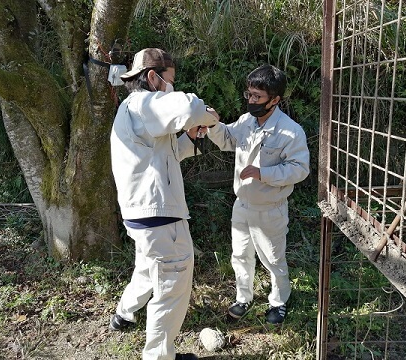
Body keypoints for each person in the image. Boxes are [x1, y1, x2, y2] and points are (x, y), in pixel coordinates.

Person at [109, 48, 219, 360]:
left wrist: (192, 135)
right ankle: (159, 357)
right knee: (172, 288)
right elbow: (189, 105)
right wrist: (207, 116)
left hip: (144, 213)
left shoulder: (137, 113)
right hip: (159, 214)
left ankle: (124, 314)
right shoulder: (144, 103)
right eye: (169, 81)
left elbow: (169, 154)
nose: (172, 86)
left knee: (148, 268)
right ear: (154, 77)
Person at [206, 64, 310, 324]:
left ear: (275, 100)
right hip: (242, 204)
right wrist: (213, 124)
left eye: (257, 97)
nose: (251, 101)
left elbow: (300, 169)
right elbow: (228, 138)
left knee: (273, 258)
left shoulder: (291, 131)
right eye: (249, 94)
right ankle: (244, 297)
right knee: (240, 254)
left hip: (270, 207)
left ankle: (278, 300)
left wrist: (262, 172)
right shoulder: (246, 121)